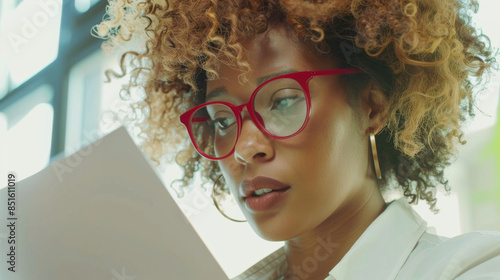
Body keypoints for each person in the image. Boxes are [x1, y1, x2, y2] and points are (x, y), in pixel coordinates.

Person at [93, 0, 500, 279]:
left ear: (371, 106)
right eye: (221, 120)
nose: (243, 147)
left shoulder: (470, 269)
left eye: (284, 101)